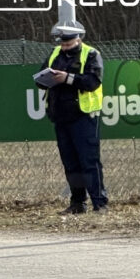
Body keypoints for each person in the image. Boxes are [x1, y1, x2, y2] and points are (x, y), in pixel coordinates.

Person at [39, 21, 108, 214]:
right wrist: (43, 80)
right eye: (62, 43)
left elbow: (93, 81)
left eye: (68, 43)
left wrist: (68, 78)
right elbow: (42, 76)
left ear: (78, 38)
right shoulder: (54, 54)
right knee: (70, 163)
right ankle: (78, 203)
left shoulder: (91, 54)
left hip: (83, 117)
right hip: (60, 116)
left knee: (89, 161)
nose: (64, 47)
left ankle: (100, 203)